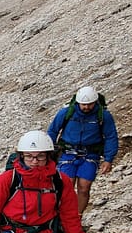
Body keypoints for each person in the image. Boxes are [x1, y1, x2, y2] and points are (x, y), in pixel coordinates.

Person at [47, 85, 119, 215]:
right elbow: (53, 131)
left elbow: (111, 136)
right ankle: (62, 217)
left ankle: (76, 217)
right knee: (66, 186)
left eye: (89, 104)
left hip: (90, 155)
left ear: (95, 102)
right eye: (83, 104)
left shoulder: (103, 115)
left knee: (84, 188)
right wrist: (49, 152)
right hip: (67, 153)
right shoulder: (66, 113)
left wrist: (108, 159)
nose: (86, 107)